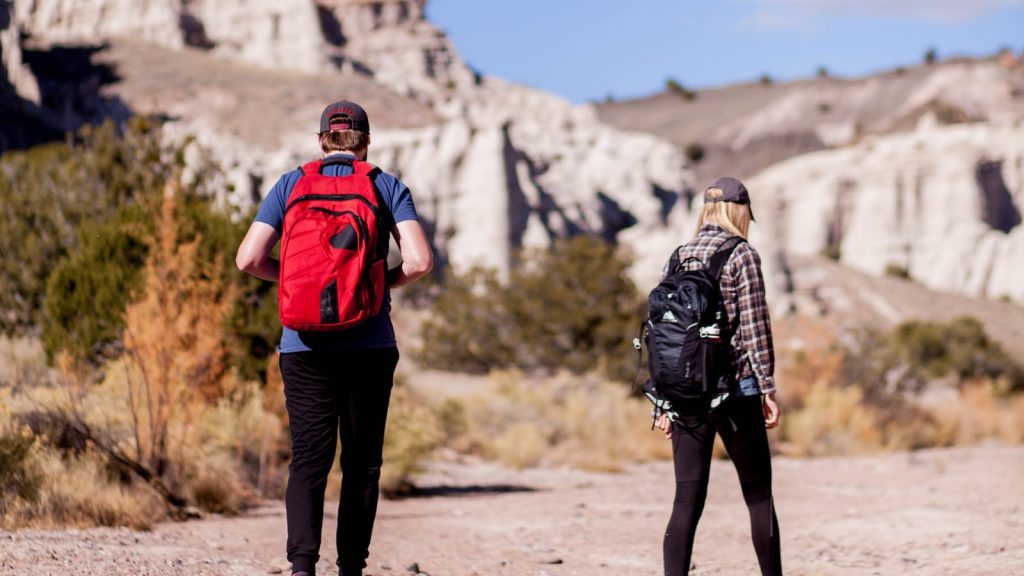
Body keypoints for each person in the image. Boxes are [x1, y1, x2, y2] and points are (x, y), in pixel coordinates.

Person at [235, 100, 433, 576]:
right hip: (369, 344)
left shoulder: (291, 184)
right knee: (362, 463)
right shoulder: (385, 185)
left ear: (322, 139)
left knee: (309, 461)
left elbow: (247, 259)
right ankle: (350, 570)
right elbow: (421, 261)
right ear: (365, 140)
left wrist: (293, 280)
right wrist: (375, 284)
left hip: (303, 346)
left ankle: (302, 566)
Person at [654, 177, 782, 576]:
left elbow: (662, 334)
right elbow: (755, 328)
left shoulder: (678, 256)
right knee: (758, 497)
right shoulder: (742, 254)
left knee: (685, 503)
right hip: (736, 390)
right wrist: (766, 388)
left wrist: (664, 400)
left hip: (685, 394)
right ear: (740, 211)